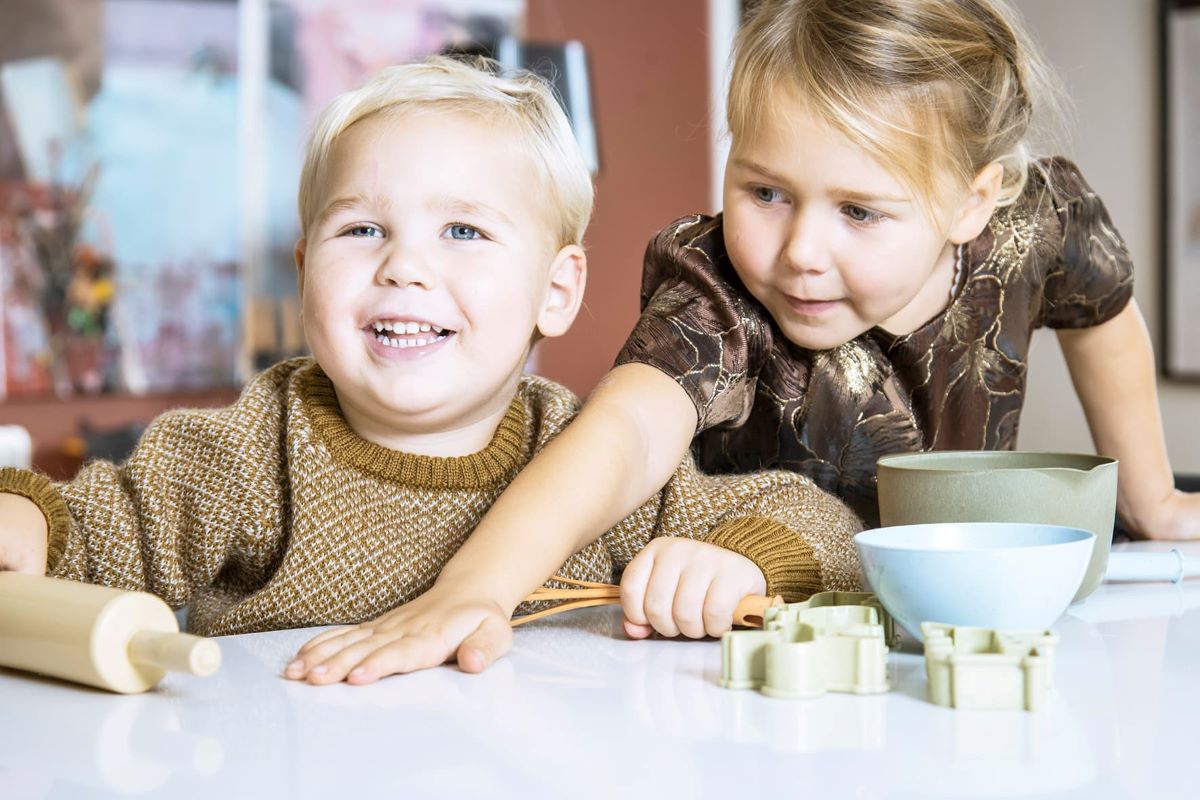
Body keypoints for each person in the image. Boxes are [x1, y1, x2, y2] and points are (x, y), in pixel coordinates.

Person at [274, 0, 1200, 676]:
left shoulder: (1042, 219)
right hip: (747, 616)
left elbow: (1104, 314)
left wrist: (1154, 500)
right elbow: (627, 432)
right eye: (764, 191)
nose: (799, 252)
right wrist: (475, 586)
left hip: (951, 620)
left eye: (860, 212)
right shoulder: (713, 279)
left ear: (973, 200)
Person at [0, 56, 864, 685]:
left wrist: (735, 565)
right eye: (361, 230)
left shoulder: (577, 455)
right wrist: (26, 523)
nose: (403, 267)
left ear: (556, 291)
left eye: (463, 232)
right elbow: (94, 533)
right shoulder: (251, 449)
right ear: (304, 272)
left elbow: (824, 531)